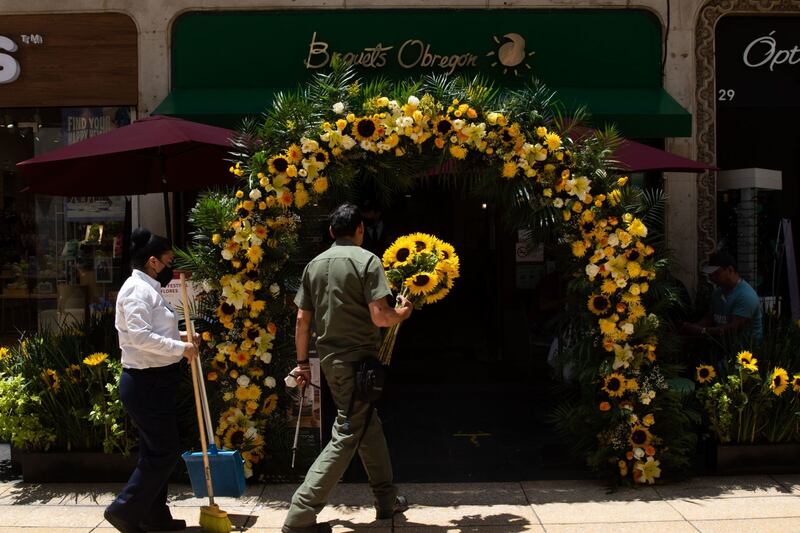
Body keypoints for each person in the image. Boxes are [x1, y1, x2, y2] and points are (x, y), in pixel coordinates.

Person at [282, 203, 413, 533]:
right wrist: (402, 313)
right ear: (360, 230)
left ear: (330, 232)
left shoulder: (314, 265)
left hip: (331, 362)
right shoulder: (368, 260)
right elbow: (380, 316)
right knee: (347, 431)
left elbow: (301, 321)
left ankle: (386, 500)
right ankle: (301, 512)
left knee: (368, 425)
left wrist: (302, 364)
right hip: (361, 364)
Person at [104, 228, 198, 533]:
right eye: (169, 260)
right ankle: (124, 509)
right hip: (146, 383)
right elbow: (140, 338)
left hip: (156, 381)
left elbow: (153, 333)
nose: (171, 266)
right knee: (164, 451)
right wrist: (181, 348)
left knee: (154, 451)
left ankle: (153, 515)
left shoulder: (148, 289)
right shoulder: (136, 290)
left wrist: (182, 337)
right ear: (154, 262)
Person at [681, 251, 763, 343]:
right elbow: (710, 318)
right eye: (711, 275)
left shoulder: (746, 296)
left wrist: (701, 330)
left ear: (730, 270)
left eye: (716, 273)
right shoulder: (717, 293)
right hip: (722, 348)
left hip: (745, 352)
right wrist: (692, 327)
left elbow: (732, 329)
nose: (712, 278)